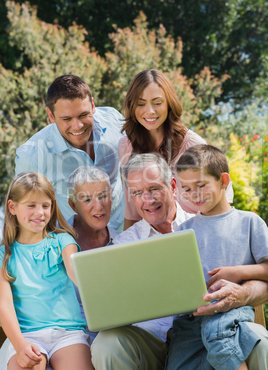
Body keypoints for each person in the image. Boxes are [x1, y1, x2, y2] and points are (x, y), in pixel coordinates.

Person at [165, 144, 268, 370]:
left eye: (201, 185)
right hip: (192, 319)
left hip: (231, 311)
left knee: (219, 337)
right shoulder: (183, 231)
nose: (194, 195)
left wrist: (237, 272)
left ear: (223, 181)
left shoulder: (249, 223)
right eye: (187, 188)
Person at [90, 153, 195, 370]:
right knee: (107, 342)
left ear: (173, 186)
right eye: (138, 193)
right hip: (149, 342)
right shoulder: (123, 245)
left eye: (154, 189)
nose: (148, 200)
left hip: (197, 337)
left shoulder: (201, 227)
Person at [118, 68, 233, 229]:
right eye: (141, 103)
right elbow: (132, 212)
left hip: (198, 235)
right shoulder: (126, 146)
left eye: (157, 103)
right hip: (155, 240)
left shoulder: (193, 145)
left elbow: (222, 204)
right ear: (132, 106)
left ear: (169, 104)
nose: (149, 111)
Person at [0, 172, 93, 370]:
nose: (40, 212)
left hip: (67, 334)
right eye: (31, 205)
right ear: (12, 207)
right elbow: (3, 303)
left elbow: (75, 270)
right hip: (26, 335)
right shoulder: (4, 254)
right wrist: (19, 345)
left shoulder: (63, 241)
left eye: (45, 205)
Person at [15, 74, 124, 230]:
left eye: (83, 115)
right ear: (51, 116)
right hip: (78, 243)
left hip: (125, 229)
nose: (77, 126)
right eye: (67, 119)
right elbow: (25, 215)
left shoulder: (113, 118)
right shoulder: (32, 156)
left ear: (92, 105)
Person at [67, 166, 119, 342]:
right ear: (73, 205)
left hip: (113, 338)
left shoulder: (123, 243)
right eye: (87, 199)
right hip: (66, 339)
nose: (98, 206)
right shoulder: (55, 242)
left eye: (103, 196)